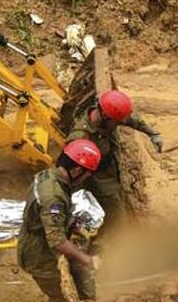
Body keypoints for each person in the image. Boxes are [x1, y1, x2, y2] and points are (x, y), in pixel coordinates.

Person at [17, 139, 103, 302]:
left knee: (76, 285)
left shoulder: (48, 176)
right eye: (86, 175)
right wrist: (86, 259)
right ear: (77, 170)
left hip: (39, 242)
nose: (86, 179)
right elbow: (56, 239)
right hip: (39, 254)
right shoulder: (53, 197)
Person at [66, 90, 162, 225]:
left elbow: (130, 120)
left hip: (114, 172)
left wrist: (153, 134)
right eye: (117, 122)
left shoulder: (106, 118)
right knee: (117, 221)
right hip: (100, 185)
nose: (119, 123)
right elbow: (69, 172)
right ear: (106, 116)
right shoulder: (81, 138)